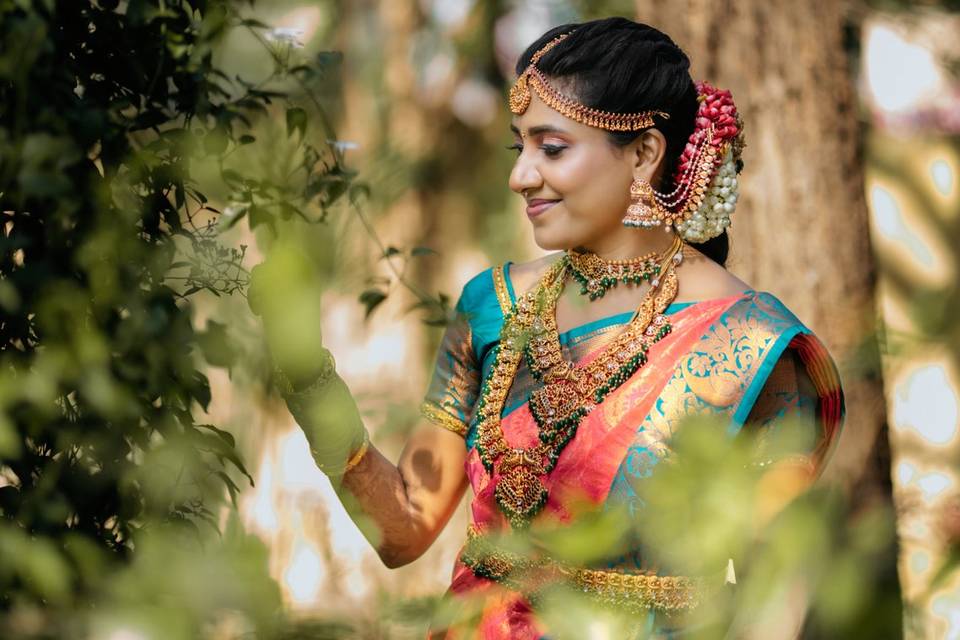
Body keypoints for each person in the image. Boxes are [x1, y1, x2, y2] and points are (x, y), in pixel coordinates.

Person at [251, 17, 845, 640]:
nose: (521, 176)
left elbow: (772, 596)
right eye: (520, 148)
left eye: (552, 148)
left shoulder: (750, 344)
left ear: (644, 153)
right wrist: (306, 374)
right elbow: (403, 531)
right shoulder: (493, 305)